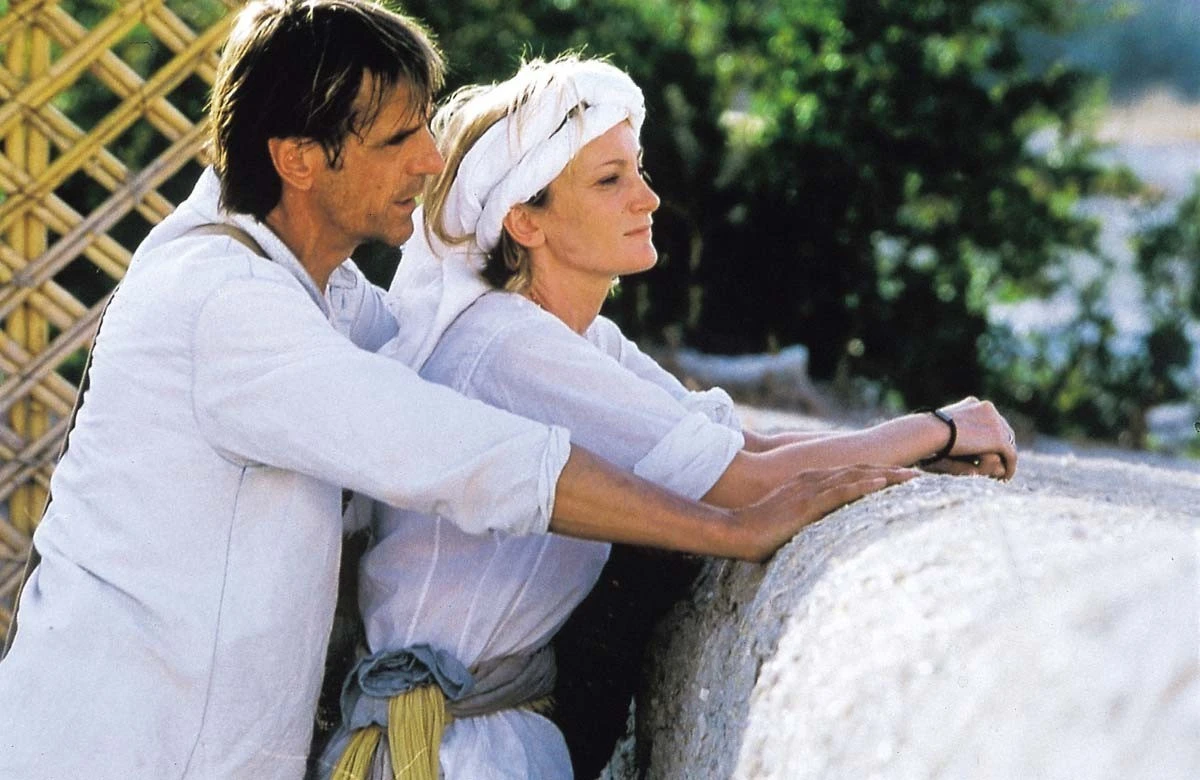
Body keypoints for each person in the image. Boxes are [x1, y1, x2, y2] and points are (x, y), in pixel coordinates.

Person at [0, 4, 913, 779]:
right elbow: (462, 454)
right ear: (300, 158)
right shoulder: (225, 303)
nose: (431, 162)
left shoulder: (321, 292)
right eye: (399, 139)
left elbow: (469, 358)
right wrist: (731, 530)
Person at [316, 55, 1016, 779]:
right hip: (446, 755)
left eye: (639, 170)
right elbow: (741, 485)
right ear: (524, 220)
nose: (647, 198)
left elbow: (738, 445)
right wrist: (942, 426)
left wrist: (906, 451)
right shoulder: (508, 346)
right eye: (610, 180)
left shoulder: (580, 337)